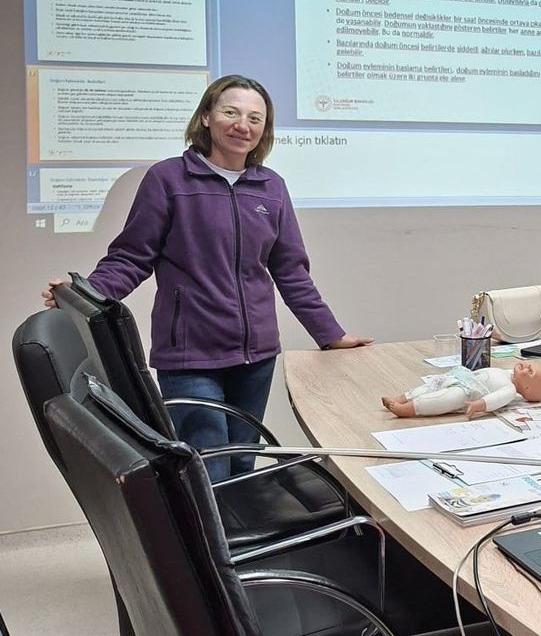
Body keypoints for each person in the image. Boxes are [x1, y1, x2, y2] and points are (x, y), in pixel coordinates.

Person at [41, 75, 371, 481]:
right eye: (231, 112)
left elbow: (291, 271)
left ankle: (238, 526)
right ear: (206, 117)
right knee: (207, 469)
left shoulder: (271, 187)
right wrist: (83, 295)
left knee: (244, 465)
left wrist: (331, 335)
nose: (242, 125)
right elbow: (131, 256)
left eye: (255, 118)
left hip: (256, 357)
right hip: (190, 356)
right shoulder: (168, 179)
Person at [382, 362, 541, 418]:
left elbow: (495, 400)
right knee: (432, 385)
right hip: (463, 377)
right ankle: (401, 398)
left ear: (527, 388)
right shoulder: (507, 373)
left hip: (468, 392)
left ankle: (407, 409)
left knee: (442, 399)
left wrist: (479, 405)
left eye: (530, 371)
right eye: (529, 365)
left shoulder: (510, 390)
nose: (525, 366)